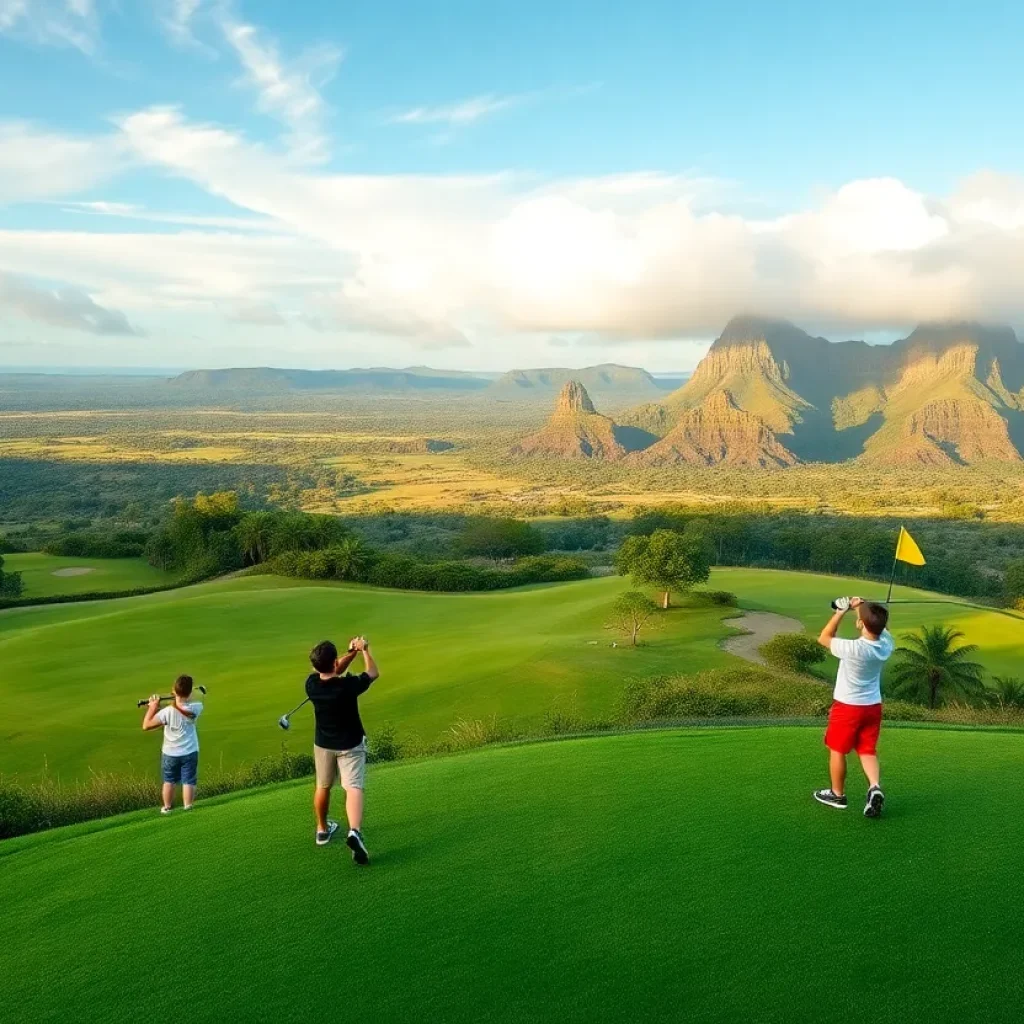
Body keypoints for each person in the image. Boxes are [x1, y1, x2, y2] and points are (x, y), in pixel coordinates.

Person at [813, 597, 894, 818]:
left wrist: (840, 611)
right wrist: (861, 606)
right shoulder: (886, 644)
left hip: (848, 707)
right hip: (872, 707)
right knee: (867, 750)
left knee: (837, 749)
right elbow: (878, 626)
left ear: (860, 624)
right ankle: (874, 787)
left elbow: (824, 637)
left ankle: (837, 794)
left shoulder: (852, 648)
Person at [306, 635, 379, 863]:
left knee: (323, 786)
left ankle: (322, 830)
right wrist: (364, 650)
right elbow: (373, 673)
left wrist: (351, 653)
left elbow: (333, 671)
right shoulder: (347, 686)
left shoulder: (311, 684)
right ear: (334, 660)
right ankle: (354, 831)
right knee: (353, 787)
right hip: (350, 743)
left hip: (323, 744)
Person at [142, 674, 204, 815]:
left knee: (169, 781)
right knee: (189, 780)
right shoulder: (197, 708)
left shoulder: (167, 712)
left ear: (173, 691)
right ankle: (188, 807)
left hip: (170, 753)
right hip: (190, 751)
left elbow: (146, 725)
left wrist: (153, 707)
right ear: (190, 693)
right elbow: (190, 701)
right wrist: (184, 695)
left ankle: (167, 808)